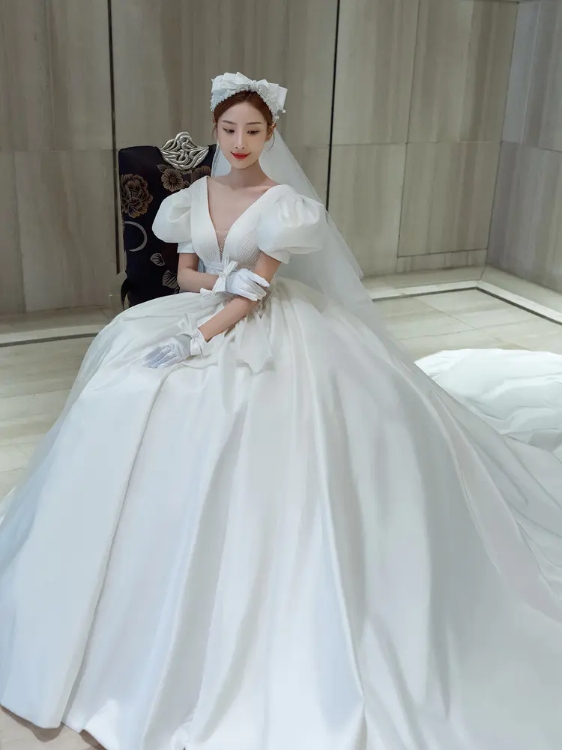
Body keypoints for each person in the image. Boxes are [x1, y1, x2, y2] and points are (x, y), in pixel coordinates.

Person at [1, 72, 562, 750]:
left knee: (244, 413)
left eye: (253, 130)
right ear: (214, 128)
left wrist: (200, 336)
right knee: (121, 386)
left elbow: (255, 297)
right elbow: (185, 273)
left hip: (256, 326)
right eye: (229, 129)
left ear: (271, 134)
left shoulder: (284, 205)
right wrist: (213, 289)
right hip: (202, 308)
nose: (240, 142)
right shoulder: (191, 198)